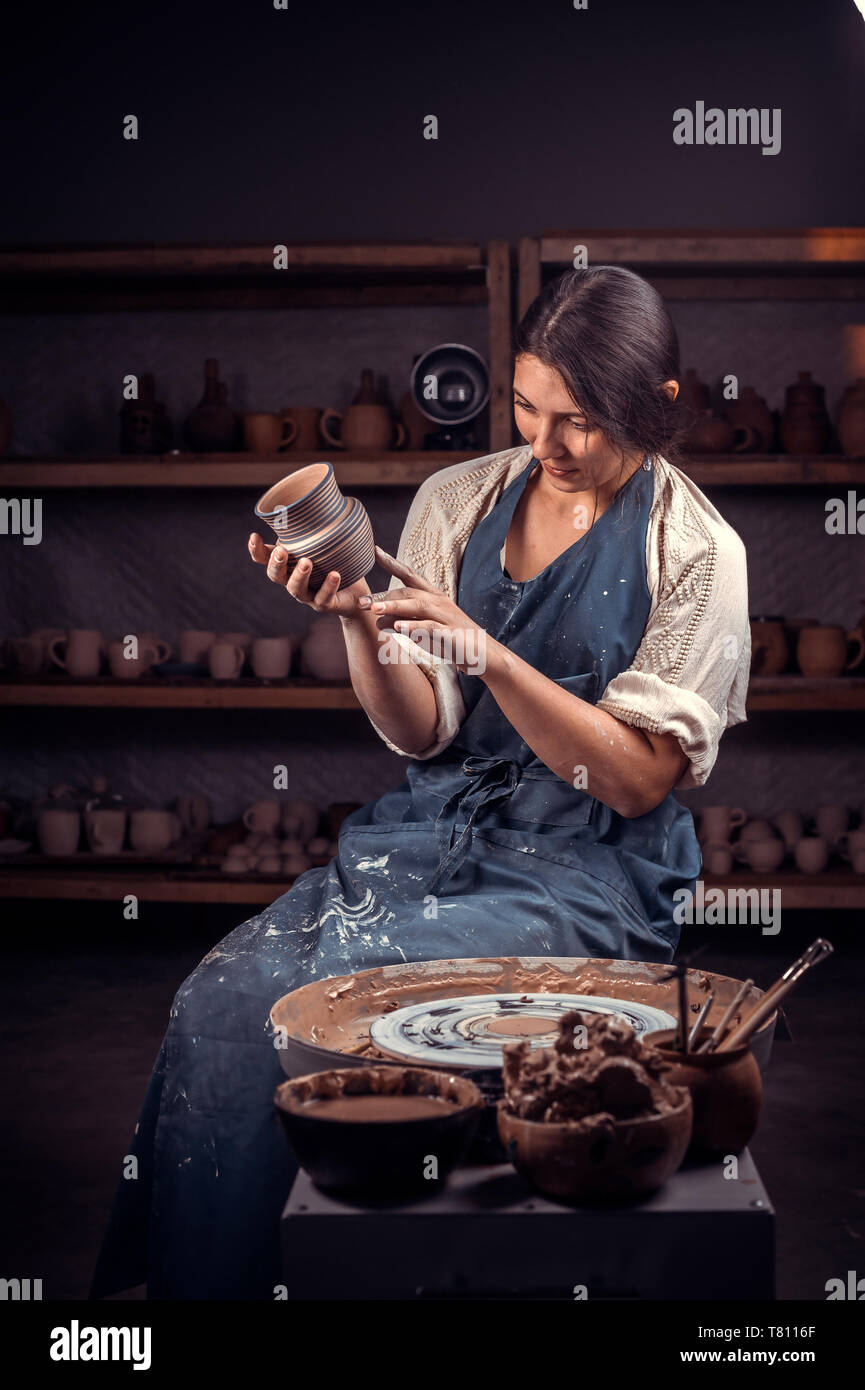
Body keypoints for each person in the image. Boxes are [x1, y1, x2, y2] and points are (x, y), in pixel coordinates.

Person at [91, 265, 749, 1299]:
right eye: (528, 407)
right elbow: (424, 730)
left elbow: (631, 780)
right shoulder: (459, 497)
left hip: (583, 869)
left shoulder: (699, 548)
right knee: (222, 997)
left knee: (332, 1006)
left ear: (657, 406)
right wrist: (358, 615)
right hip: (427, 836)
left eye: (578, 420)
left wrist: (489, 653)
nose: (546, 444)